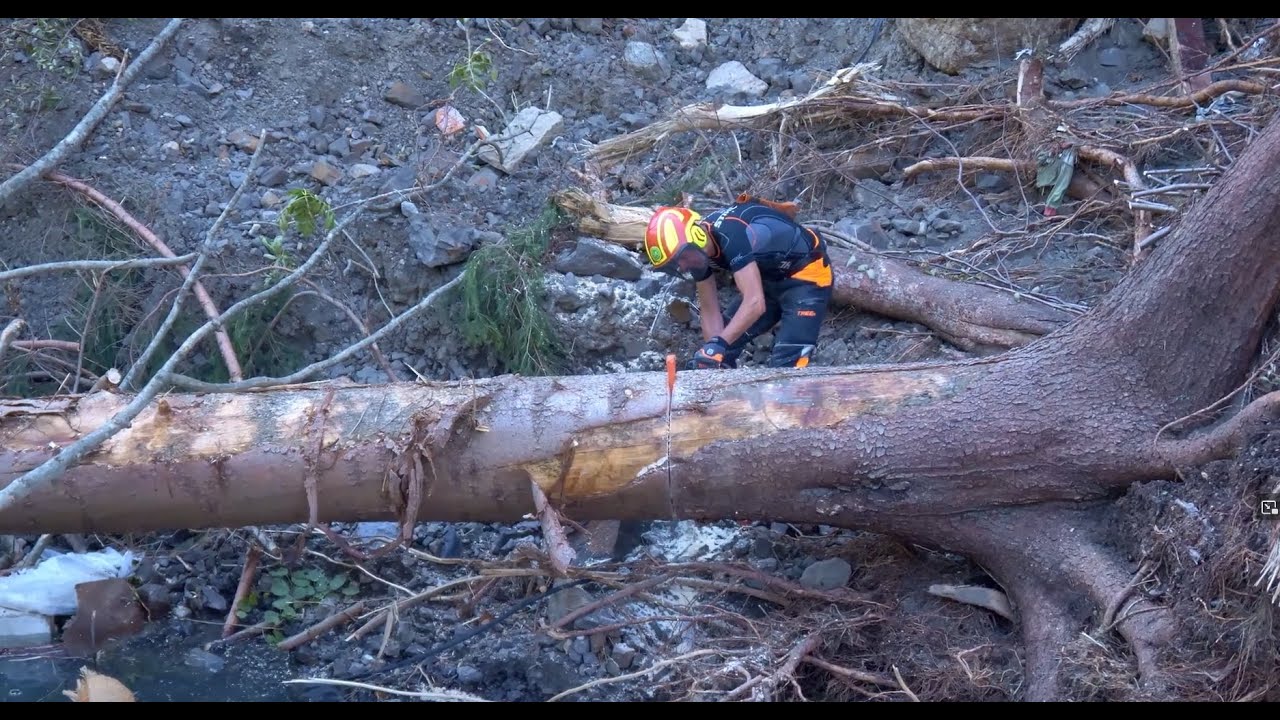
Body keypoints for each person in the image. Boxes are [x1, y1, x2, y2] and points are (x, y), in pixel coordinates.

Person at [643, 194, 833, 370]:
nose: (683, 266)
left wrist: (720, 344)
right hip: (767, 281)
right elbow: (710, 310)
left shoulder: (731, 233)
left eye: (682, 258)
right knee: (721, 346)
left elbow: (754, 302)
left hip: (807, 276)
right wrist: (713, 353)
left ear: (697, 236)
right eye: (677, 263)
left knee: (786, 366)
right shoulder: (696, 255)